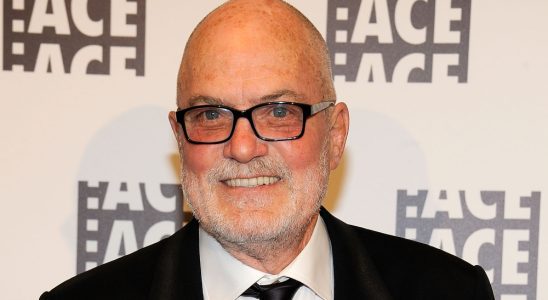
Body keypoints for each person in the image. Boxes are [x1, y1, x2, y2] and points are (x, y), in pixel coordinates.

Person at [40, 0, 495, 299]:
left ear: (334, 136)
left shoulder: (450, 292)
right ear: (180, 140)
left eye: (278, 111)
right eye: (211, 115)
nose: (241, 147)